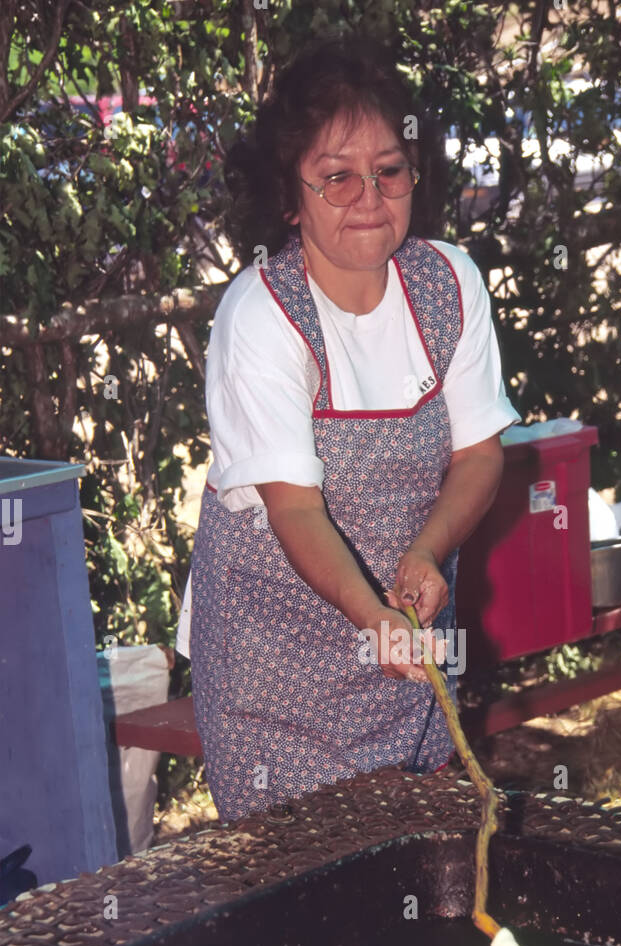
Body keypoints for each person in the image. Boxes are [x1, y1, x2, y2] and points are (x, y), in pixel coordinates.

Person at [175, 36, 521, 821]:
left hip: (409, 631)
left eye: (388, 169)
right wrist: (371, 621)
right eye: (336, 177)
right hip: (277, 668)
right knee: (306, 889)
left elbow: (476, 452)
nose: (369, 195)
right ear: (289, 197)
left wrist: (427, 551)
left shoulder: (450, 284)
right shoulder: (261, 317)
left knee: (421, 857)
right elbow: (295, 507)